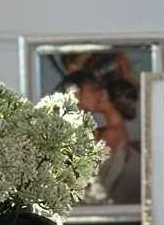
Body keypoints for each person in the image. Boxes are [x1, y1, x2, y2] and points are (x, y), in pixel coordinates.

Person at [60, 52, 142, 203]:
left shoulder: (109, 132)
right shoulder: (78, 127)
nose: (97, 95)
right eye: (93, 90)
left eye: (98, 91)